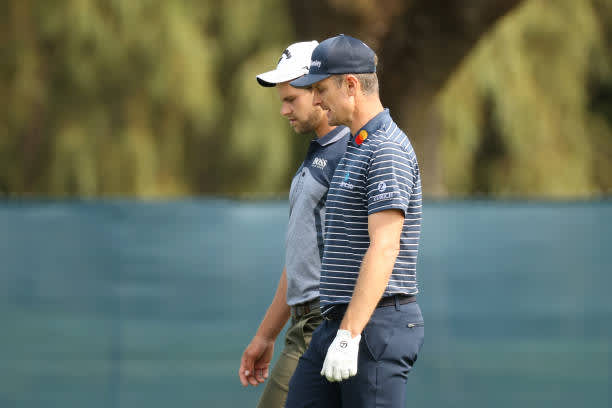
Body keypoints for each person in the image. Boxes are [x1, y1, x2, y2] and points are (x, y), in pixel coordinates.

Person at [284, 34, 425, 408]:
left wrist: (349, 335)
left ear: (350, 85)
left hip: (375, 326)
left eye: (320, 88)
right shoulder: (355, 146)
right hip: (337, 322)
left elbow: (385, 246)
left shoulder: (387, 149)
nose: (315, 100)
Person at [238, 41, 350, 408]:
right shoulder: (318, 153)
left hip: (325, 323)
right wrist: (266, 336)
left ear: (319, 91)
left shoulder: (347, 155)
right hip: (302, 325)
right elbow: (300, 258)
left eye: (292, 100)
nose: (284, 110)